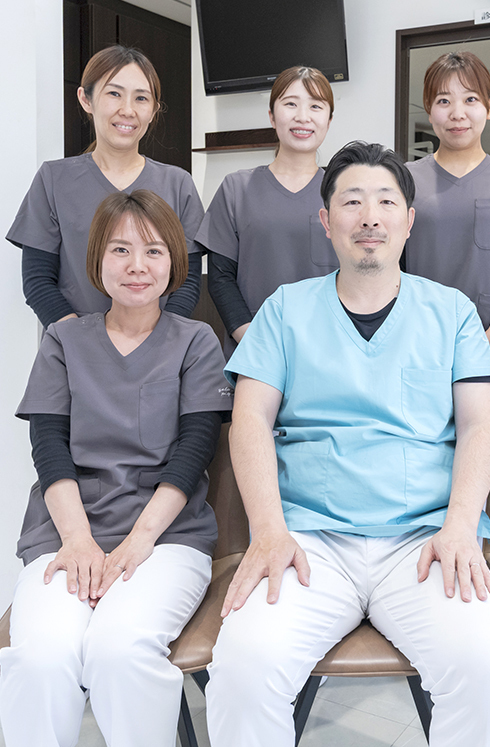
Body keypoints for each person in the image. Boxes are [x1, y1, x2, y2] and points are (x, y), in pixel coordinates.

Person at [205, 141, 490, 746]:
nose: (369, 217)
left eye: (385, 201)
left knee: (485, 671)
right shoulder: (284, 310)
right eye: (351, 202)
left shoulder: (452, 313)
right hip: (307, 540)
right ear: (326, 222)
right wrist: (268, 531)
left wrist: (460, 527)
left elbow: (481, 426)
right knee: (244, 669)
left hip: (426, 540)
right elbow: (249, 420)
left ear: (409, 220)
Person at [0, 190, 233, 747]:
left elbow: (194, 451)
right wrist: (78, 541)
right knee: (41, 655)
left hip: (165, 537)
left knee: (119, 649)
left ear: (174, 262)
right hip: (66, 534)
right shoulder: (63, 340)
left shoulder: (195, 341)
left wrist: (137, 542)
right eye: (120, 249)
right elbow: (49, 448)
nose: (137, 265)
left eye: (153, 251)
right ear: (97, 260)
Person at [7, 45, 205, 326]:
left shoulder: (178, 184)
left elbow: (188, 279)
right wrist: (79, 339)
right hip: (73, 341)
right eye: (114, 94)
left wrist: (162, 339)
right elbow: (38, 280)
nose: (128, 110)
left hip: (158, 344)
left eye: (141, 98)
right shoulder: (53, 180)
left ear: (153, 110)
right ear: (86, 99)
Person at [405, 51, 490, 381]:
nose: (457, 113)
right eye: (444, 101)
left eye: (470, 99)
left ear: (489, 106)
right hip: (414, 347)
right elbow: (393, 265)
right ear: (429, 109)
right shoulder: (404, 180)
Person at [198, 66, 338, 356]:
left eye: (315, 106)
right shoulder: (236, 188)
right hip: (254, 348)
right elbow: (221, 278)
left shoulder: (344, 193)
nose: (303, 116)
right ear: (272, 116)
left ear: (329, 119)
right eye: (290, 104)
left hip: (330, 348)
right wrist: (254, 340)